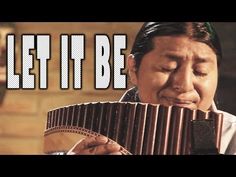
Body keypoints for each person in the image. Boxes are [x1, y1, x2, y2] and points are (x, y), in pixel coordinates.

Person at [67, 22, 236, 155]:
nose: (184, 85)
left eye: (200, 72)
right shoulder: (80, 136)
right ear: (134, 69)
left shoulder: (232, 137)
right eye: (167, 68)